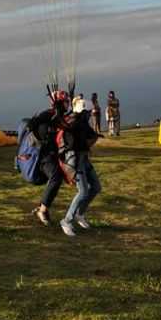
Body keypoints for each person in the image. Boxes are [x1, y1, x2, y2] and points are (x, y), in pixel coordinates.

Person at [59, 102, 101, 237]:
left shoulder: (82, 123)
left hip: (84, 159)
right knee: (83, 192)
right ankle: (66, 221)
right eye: (88, 113)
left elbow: (91, 134)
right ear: (83, 112)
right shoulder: (73, 124)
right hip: (76, 161)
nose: (90, 115)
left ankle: (79, 214)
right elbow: (72, 143)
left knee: (96, 187)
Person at [31, 90, 69, 226]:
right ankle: (43, 210)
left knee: (63, 177)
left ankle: (42, 206)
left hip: (53, 154)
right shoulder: (47, 116)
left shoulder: (59, 117)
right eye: (65, 102)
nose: (68, 104)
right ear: (59, 103)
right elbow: (43, 136)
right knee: (56, 177)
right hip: (44, 156)